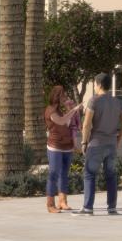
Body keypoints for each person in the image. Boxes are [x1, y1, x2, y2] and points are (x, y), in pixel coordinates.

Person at [75, 73, 122, 216]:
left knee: (90, 174)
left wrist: (84, 142)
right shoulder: (117, 102)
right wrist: (118, 140)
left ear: (98, 84)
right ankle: (112, 208)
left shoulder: (94, 101)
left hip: (96, 143)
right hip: (111, 145)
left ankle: (88, 208)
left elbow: (86, 125)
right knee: (111, 175)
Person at [43, 85, 80, 214]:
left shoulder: (65, 108)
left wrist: (75, 143)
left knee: (64, 174)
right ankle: (50, 204)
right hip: (55, 147)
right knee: (53, 173)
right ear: (56, 97)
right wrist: (74, 110)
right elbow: (61, 121)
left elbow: (73, 124)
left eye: (65, 95)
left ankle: (62, 201)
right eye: (62, 95)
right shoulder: (51, 110)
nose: (64, 97)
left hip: (67, 146)